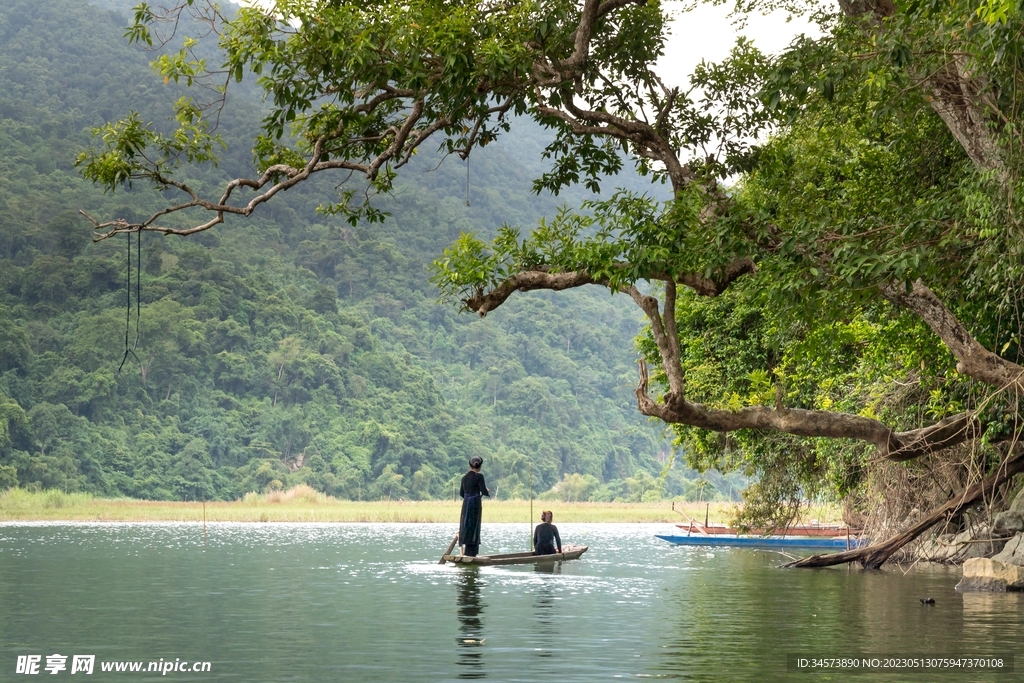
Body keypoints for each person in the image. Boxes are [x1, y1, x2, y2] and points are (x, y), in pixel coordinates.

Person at [459, 456, 489, 556]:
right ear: (480, 466)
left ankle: (467, 550)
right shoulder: (479, 476)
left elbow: (461, 493)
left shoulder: (464, 478)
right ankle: (472, 552)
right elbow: (484, 491)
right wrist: (486, 491)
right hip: (475, 503)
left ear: (470, 465)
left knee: (466, 524)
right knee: (475, 525)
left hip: (466, 503)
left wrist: (468, 498)